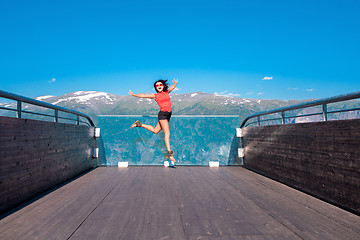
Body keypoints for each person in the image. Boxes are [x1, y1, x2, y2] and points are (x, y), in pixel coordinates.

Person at [129, 79, 178, 163]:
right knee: (167, 133)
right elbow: (144, 95)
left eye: (160, 85)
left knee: (155, 131)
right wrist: (134, 95)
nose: (159, 86)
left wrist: (175, 84)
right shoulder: (155, 95)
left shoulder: (166, 92)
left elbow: (172, 88)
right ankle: (169, 153)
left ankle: (139, 124)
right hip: (162, 114)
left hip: (168, 115)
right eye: (157, 85)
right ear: (155, 88)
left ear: (163, 86)